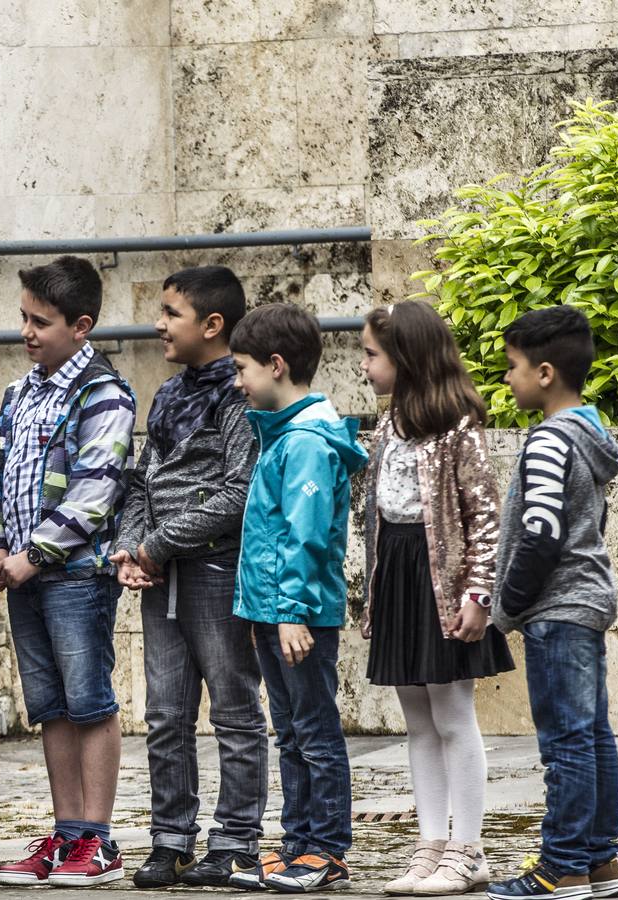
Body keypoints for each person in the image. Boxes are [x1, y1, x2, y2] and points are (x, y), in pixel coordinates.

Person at [109, 266, 265, 889]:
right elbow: (143, 481)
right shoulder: (170, 394)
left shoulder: (240, 393)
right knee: (166, 714)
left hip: (216, 570)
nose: (159, 324)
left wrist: (157, 545)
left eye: (171, 313)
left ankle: (235, 841)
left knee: (233, 708)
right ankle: (170, 839)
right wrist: (129, 548)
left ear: (213, 324)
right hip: (160, 572)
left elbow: (237, 493)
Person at [0, 256, 136, 888]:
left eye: (40, 322)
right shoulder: (18, 394)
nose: (26, 332)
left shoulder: (103, 392)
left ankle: (97, 839)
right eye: (22, 317)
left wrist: (33, 553)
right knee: (49, 706)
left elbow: (95, 493)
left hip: (75, 576)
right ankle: (67, 830)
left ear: (81, 326)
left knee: (88, 700)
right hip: (23, 573)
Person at [358, 301, 515, 896]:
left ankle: (467, 849)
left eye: (373, 354)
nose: (365, 365)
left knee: (452, 714)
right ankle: (430, 845)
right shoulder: (390, 422)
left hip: (443, 580)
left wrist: (478, 592)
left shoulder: (457, 424)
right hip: (399, 571)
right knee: (417, 720)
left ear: (407, 357)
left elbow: (485, 516)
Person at [223, 302, 368, 895]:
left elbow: (304, 538)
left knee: (314, 731)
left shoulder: (306, 442)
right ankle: (297, 844)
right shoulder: (281, 436)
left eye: (242, 369)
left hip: (295, 617)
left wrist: (289, 612)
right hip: (270, 613)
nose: (237, 382)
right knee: (290, 732)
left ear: (276, 366)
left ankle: (326, 847)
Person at [485, 306, 618, 900]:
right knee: (591, 736)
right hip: (585, 602)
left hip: (557, 607)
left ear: (544, 373)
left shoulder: (549, 439)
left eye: (512, 367)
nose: (507, 380)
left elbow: (541, 529)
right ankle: (600, 865)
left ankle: (562, 866)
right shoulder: (591, 436)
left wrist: (509, 603)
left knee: (566, 743)